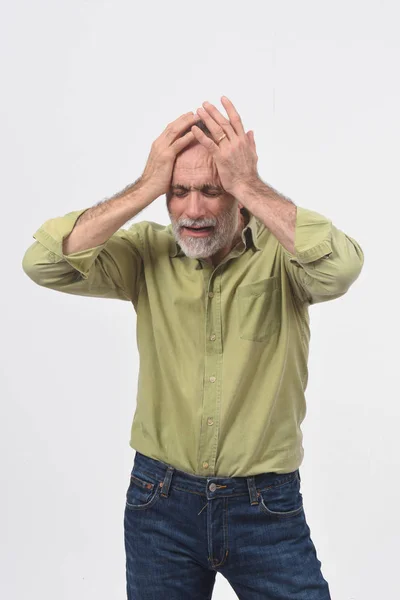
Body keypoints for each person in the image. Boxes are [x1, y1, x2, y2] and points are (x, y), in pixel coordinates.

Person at [22, 96, 364, 599]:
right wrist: (144, 187)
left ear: (239, 196)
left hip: (264, 505)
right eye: (178, 192)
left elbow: (341, 268)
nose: (194, 210)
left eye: (212, 190)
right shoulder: (145, 253)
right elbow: (43, 263)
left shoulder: (284, 258)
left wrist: (248, 181)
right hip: (158, 502)